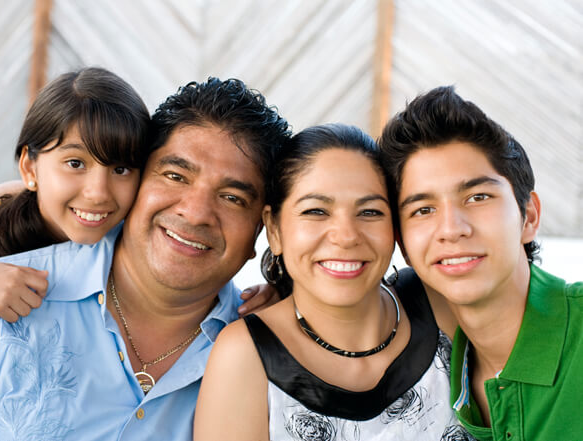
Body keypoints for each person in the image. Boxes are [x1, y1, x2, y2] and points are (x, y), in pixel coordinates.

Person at [0, 76, 290, 441]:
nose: (195, 213)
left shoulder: (269, 360)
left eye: (233, 198)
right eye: (175, 176)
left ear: (267, 228)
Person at [195, 124, 471, 440]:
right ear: (274, 229)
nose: (346, 236)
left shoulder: (439, 302)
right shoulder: (245, 354)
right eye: (316, 211)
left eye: (369, 212)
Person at [0, 66, 150, 374]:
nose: (98, 193)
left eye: (121, 169)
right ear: (29, 168)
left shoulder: (141, 236)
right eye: (75, 163)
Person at [379, 86, 583, 440]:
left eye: (478, 197)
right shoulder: (443, 368)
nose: (452, 229)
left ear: (529, 216)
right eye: (423, 210)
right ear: (405, 246)